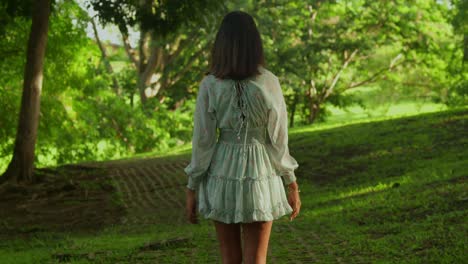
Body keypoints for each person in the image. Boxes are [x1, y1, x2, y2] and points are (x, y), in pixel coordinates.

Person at [184, 10, 301, 264]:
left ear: (221, 44)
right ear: (254, 43)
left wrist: (192, 186)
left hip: (222, 171)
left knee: (229, 259)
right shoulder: (269, 82)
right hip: (260, 172)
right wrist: (290, 181)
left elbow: (203, 140)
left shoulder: (210, 84)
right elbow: (278, 138)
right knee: (256, 260)